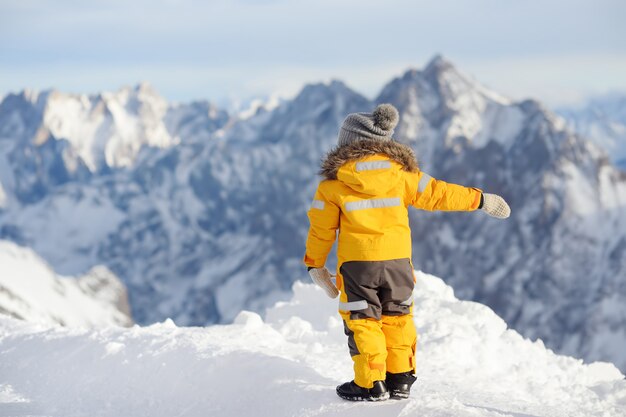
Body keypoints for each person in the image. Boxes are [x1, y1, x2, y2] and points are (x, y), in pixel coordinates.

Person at [303, 103, 511, 401]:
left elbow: (321, 230)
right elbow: (440, 193)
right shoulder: (402, 176)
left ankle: (370, 382)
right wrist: (480, 200)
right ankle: (400, 379)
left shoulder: (333, 185)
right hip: (398, 262)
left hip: (357, 266)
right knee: (398, 318)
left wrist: (315, 265)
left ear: (347, 143)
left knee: (364, 320)